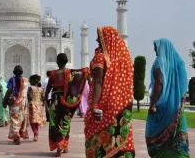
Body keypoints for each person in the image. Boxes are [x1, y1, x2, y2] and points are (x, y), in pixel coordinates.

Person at [84, 26, 135, 158]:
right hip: (121, 105)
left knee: (97, 140)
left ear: (106, 38)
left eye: (99, 37)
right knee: (117, 138)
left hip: (103, 104)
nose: (97, 39)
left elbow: (99, 82)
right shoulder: (124, 59)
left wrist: (95, 105)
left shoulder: (101, 57)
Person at [145, 38, 189, 158]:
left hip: (163, 105)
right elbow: (183, 84)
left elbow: (159, 83)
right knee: (176, 133)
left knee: (156, 133)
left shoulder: (159, 62)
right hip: (176, 105)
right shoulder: (178, 63)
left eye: (156, 46)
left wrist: (153, 103)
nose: (154, 49)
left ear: (163, 47)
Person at [45, 53, 89, 157]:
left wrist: (45, 97)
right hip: (66, 101)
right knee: (65, 122)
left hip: (55, 101)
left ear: (57, 61)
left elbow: (48, 88)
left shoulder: (52, 74)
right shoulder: (69, 73)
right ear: (66, 61)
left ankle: (59, 145)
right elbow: (78, 79)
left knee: (54, 123)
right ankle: (65, 146)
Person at [5, 65, 29, 145]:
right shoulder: (25, 80)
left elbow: (9, 89)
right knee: (21, 119)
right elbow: (27, 93)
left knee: (14, 120)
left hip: (14, 103)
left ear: (14, 72)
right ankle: (18, 135)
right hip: (23, 104)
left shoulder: (12, 79)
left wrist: (5, 99)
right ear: (22, 72)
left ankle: (17, 135)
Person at [28, 74, 46, 142]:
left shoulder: (31, 88)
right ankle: (36, 134)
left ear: (33, 80)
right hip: (39, 106)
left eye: (30, 80)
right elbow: (43, 98)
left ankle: (35, 133)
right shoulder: (41, 89)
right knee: (36, 121)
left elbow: (29, 97)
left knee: (32, 121)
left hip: (32, 105)